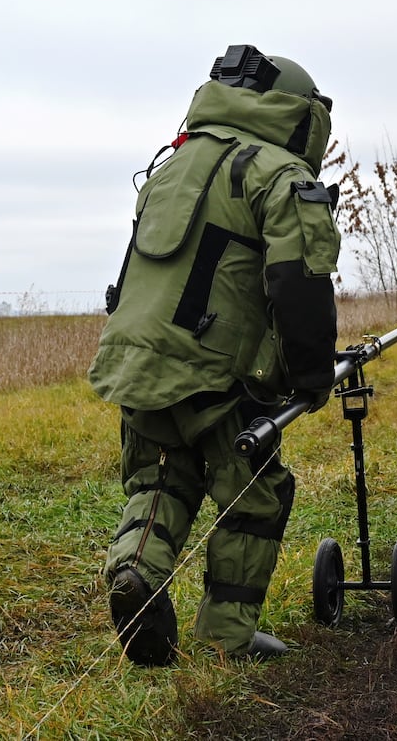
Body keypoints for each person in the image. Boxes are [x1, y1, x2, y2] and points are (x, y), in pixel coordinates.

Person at [89, 44, 340, 666]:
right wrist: (310, 377)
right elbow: (299, 282)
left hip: (137, 358)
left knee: (162, 478)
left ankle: (135, 576)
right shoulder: (281, 176)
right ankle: (226, 638)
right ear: (297, 115)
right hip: (216, 370)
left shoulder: (171, 167)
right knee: (254, 493)